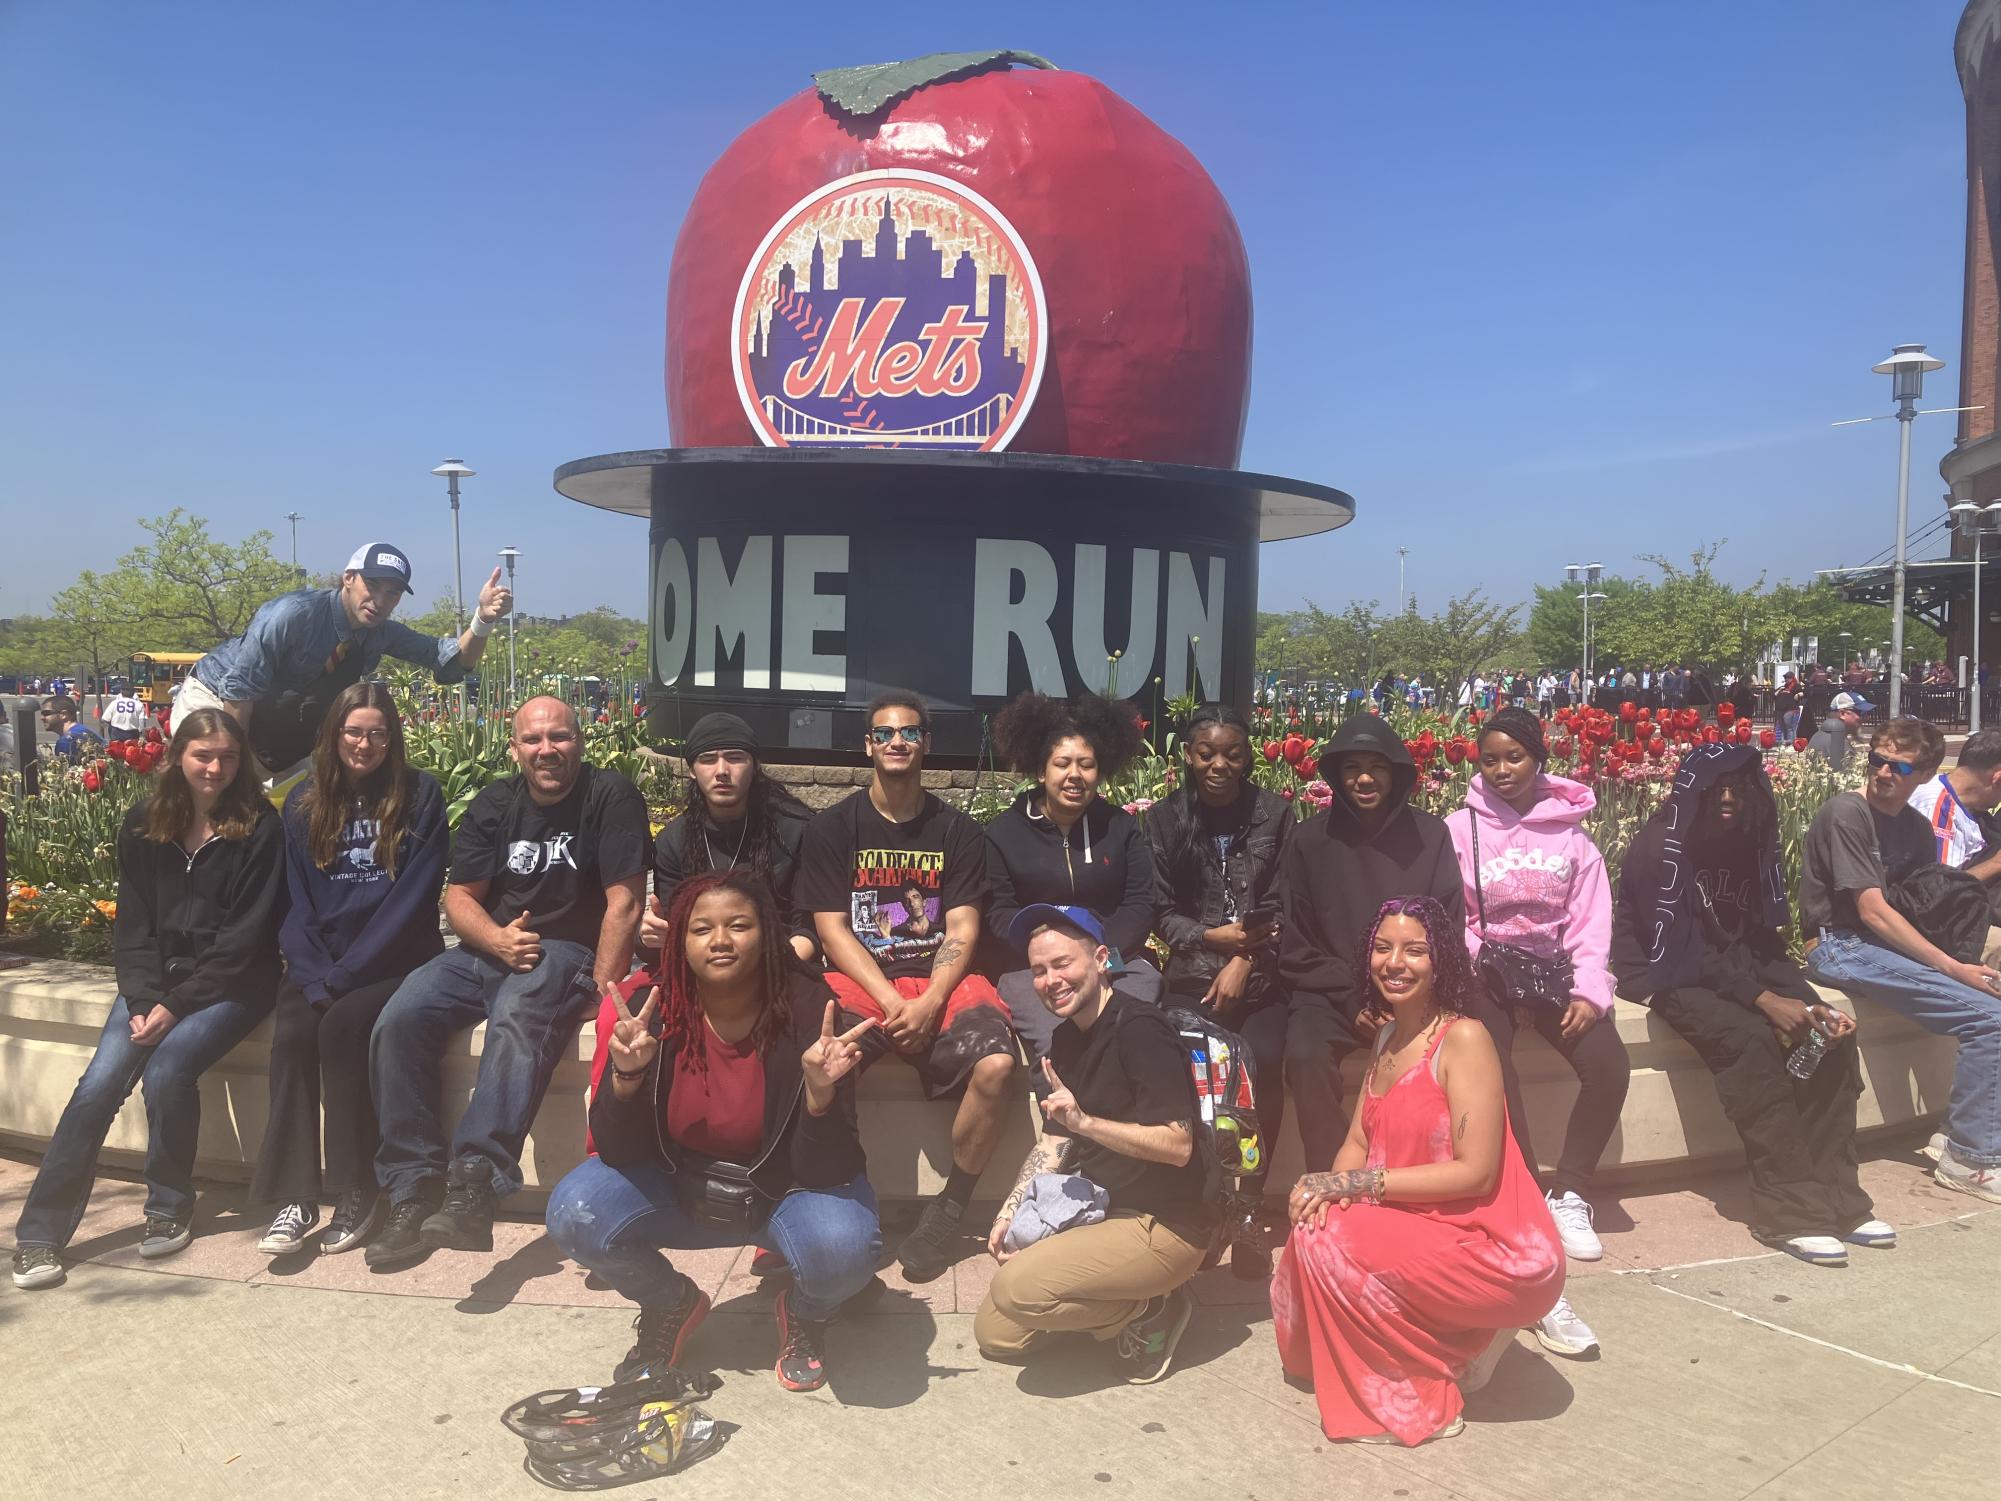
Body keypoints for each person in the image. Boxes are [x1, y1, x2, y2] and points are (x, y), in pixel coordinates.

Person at [546, 873, 881, 1393]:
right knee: (575, 1212)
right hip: (682, 1185)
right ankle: (671, 1304)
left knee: (844, 1252)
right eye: (702, 929)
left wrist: (820, 1095)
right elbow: (618, 1152)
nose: (720, 940)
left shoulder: (814, 1014)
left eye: (738, 925)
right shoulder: (654, 1014)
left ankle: (805, 1312)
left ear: (766, 935)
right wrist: (627, 1077)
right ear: (681, 942)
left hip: (787, 1191)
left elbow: (831, 1169)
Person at [365, 695, 649, 1268]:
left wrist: (599, 985)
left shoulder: (609, 795)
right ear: (515, 748)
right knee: (399, 1019)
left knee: (518, 1015)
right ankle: (412, 1188)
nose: (547, 750)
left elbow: (625, 900)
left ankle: (475, 1184)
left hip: (562, 953)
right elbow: (461, 898)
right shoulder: (496, 803)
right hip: (486, 950)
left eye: (560, 737)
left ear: (580, 741)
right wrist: (495, 940)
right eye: (534, 740)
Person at [1271, 895, 1564, 1447]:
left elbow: (1476, 1173)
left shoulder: (1465, 1039)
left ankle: (1418, 1391)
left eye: (1415, 951)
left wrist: (1355, 1188)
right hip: (1425, 1227)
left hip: (1501, 1251)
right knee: (1315, 1227)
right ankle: (1456, 1340)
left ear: (1442, 963)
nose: (1395, 963)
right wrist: (1328, 1191)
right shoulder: (1387, 1038)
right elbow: (1359, 1138)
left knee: (1328, 1240)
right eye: (1383, 948)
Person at [12, 709, 285, 1290]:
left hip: (234, 984)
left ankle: (169, 1202)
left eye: (227, 757)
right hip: (152, 983)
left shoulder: (258, 826)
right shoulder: (144, 823)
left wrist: (177, 1005)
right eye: (203, 755)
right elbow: (132, 926)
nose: (215, 767)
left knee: (167, 1072)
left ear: (241, 763)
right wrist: (141, 997)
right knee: (97, 1089)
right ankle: (39, 1235)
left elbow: (245, 940)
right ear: (178, 756)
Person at [1611, 743, 1888, 1263]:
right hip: (1664, 973)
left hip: (1734, 971)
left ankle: (1839, 1200)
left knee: (1829, 1042)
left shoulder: (1748, 843)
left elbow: (1760, 942)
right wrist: (1763, 1001)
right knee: (1752, 1045)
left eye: (1740, 788)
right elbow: (1682, 953)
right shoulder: (1661, 848)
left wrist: (1807, 1001)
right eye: (1717, 788)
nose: (1729, 798)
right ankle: (1789, 1213)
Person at [795, 691, 1017, 1283]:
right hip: (863, 979)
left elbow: (963, 927)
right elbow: (831, 930)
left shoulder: (958, 831)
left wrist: (931, 999)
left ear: (926, 744)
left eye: (910, 733)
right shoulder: (832, 827)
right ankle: (837, 1195)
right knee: (824, 1058)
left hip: (942, 978)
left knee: (996, 1063)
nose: (898, 741)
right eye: (886, 733)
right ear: (868, 745)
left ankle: (950, 1210)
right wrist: (895, 1002)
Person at [1443, 707, 1627, 1355]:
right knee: (1491, 1069)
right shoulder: (1459, 829)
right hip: (1484, 969)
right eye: (1489, 759)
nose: (1501, 770)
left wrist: (1586, 989)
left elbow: (1589, 920)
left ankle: (1569, 1190)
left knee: (1608, 1064)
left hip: (1552, 970)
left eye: (1513, 757)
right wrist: (1477, 962)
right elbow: (1451, 912)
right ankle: (1519, 1192)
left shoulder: (1573, 837)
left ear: (1537, 758)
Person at [974, 904, 1213, 1384]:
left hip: (1165, 1223)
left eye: (1063, 964)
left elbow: (1178, 1146)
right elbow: (1054, 1140)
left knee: (1018, 1293)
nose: (1050, 980)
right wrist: (1009, 1210)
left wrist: (1086, 1121)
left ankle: (1151, 1309)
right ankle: (1115, 1300)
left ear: (1102, 959)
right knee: (996, 1334)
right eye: (1039, 971)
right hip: (1100, 1211)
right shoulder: (1066, 1040)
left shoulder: (1141, 1030)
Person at [251, 684, 450, 1256]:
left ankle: (355, 1188)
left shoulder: (420, 796)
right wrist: (314, 974)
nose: (364, 744)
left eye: (377, 733)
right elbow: (293, 903)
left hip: (395, 960)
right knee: (292, 1032)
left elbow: (413, 900)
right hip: (323, 964)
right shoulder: (303, 804)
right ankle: (295, 1194)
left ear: (393, 739)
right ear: (334, 736)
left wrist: (342, 977)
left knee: (341, 1029)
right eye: (354, 732)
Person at [1801, 719, 2001, 1206]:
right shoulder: (1846, 812)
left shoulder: (1914, 827)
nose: (1884, 772)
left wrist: (1958, 958)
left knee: (1990, 997)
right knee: (1991, 1019)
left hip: (1879, 947)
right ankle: (1970, 1159)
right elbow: (1871, 909)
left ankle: (1953, 1137)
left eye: (1900, 766)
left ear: (1925, 773)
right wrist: (1952, 970)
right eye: (1878, 760)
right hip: (1838, 944)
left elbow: (1917, 903)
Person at [1279, 715, 1466, 1174]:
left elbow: (1447, 930)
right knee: (1304, 1054)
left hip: (1418, 991)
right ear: (1336, 776)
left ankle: (1427, 1178)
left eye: (1377, 767)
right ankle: (1331, 1184)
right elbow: (1296, 943)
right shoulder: (1309, 840)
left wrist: (1408, 996)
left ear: (1397, 773)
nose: (1364, 779)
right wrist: (1353, 998)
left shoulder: (1431, 836)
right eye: (1352, 768)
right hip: (1334, 994)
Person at [1144, 702, 1292, 1275]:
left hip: (1261, 978)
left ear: (1248, 756)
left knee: (1267, 1061)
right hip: (1191, 975)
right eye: (1207, 753)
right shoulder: (1163, 820)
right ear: (1188, 755)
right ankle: (1208, 1204)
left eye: (1232, 753)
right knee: (1193, 1073)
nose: (1219, 764)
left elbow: (1283, 902)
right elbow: (1160, 912)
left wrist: (1245, 957)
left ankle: (1249, 1209)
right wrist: (1213, 940)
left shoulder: (1275, 815)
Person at [174, 542, 513, 774]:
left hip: (276, 723)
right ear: (348, 578)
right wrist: (240, 768)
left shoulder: (382, 633)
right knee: (215, 792)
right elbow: (240, 690)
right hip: (218, 701)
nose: (380, 599)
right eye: (373, 585)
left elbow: (454, 663)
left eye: (392, 592)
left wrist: (483, 619)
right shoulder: (292, 614)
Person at [983, 691, 1162, 1072]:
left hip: (1114, 961)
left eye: (1087, 764)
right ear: (1040, 770)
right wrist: (1048, 958)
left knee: (1134, 1032)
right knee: (1060, 1044)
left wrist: (1100, 958)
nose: (1075, 775)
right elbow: (998, 910)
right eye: (1062, 763)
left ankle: (1133, 1129)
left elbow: (1140, 903)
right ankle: (1061, 1126)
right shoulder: (1003, 833)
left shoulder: (1122, 828)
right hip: (1032, 968)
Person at [639, 711, 815, 964]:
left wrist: (768, 972)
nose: (722, 770)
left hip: (780, 963)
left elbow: (809, 927)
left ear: (754, 766)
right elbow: (669, 931)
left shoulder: (795, 830)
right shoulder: (674, 840)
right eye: (708, 760)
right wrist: (648, 938)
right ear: (692, 771)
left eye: (735, 758)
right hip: (705, 967)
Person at [1904, 728, 2001, 883]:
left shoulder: (1964, 803)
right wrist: (1995, 864)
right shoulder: (1938, 806)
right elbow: (1937, 888)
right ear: (1997, 778)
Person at [1806, 691, 1869, 773]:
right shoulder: (1838, 743)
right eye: (1861, 713)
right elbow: (1849, 781)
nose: (1867, 717)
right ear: (1842, 713)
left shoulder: (1821, 734)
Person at [41, 695, 102, 762]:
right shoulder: (82, 731)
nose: (42, 718)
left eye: (46, 713)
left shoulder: (67, 741)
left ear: (64, 714)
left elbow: (67, 770)